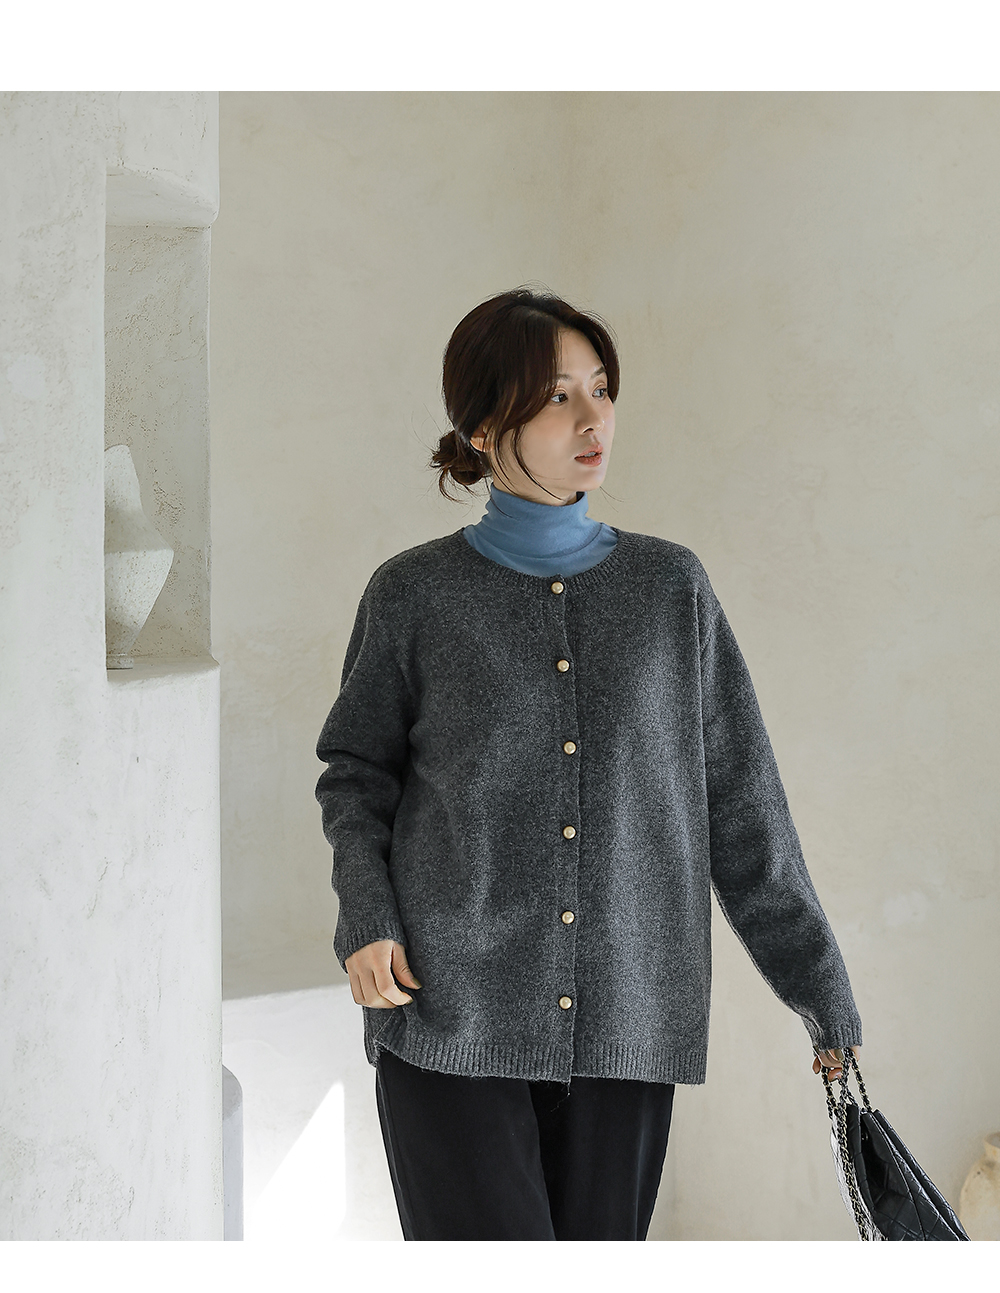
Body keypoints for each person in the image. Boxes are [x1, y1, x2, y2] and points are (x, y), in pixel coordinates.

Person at [314, 287, 862, 1241]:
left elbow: (743, 805)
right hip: (449, 1013)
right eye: (557, 397)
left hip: (628, 1022)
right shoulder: (414, 594)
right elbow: (356, 776)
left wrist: (822, 994)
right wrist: (367, 918)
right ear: (486, 426)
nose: (592, 419)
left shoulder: (670, 588)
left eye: (601, 390)